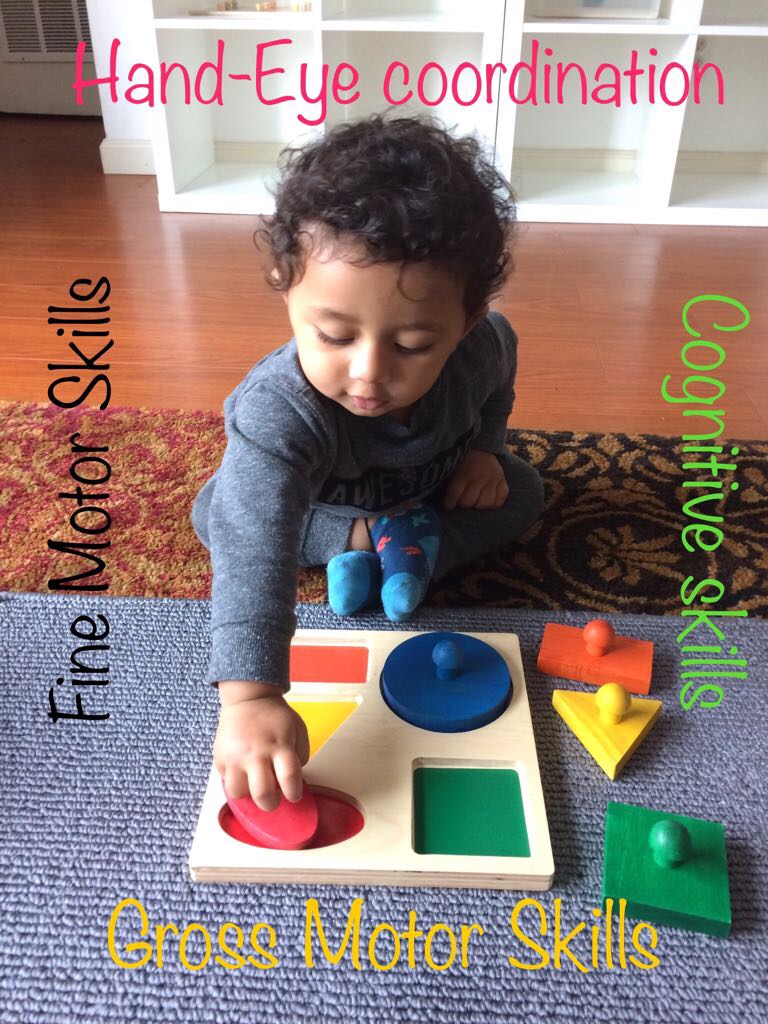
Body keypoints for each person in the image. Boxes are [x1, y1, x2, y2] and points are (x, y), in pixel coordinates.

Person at [191, 113, 544, 815]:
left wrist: (485, 449)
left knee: (524, 489)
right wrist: (251, 697)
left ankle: (410, 539)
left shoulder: (484, 346)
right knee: (221, 514)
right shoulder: (276, 411)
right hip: (319, 510)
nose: (369, 373)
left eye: (412, 345)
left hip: (429, 490)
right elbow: (255, 544)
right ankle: (365, 539)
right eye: (333, 335)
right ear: (285, 286)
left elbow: (499, 383)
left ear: (467, 322)